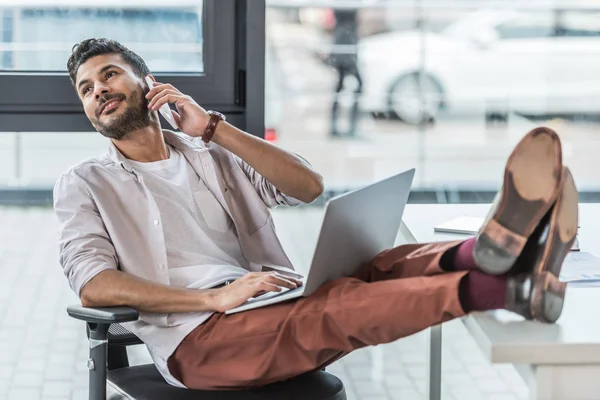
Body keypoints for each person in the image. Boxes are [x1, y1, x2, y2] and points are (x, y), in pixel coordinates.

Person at [54, 38, 578, 391]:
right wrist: (213, 297)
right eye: (86, 88)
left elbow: (308, 186)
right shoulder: (84, 184)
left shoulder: (210, 153)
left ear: (149, 84)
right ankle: (511, 288)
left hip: (267, 303)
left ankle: (494, 251)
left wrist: (213, 129)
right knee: (339, 303)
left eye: (110, 75)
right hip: (198, 341)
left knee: (379, 265)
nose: (98, 90)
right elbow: (94, 285)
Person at [328, 8, 363, 138]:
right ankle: (347, 127)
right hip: (345, 49)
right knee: (355, 86)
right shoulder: (345, 9)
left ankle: (338, 127)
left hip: (344, 47)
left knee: (340, 88)